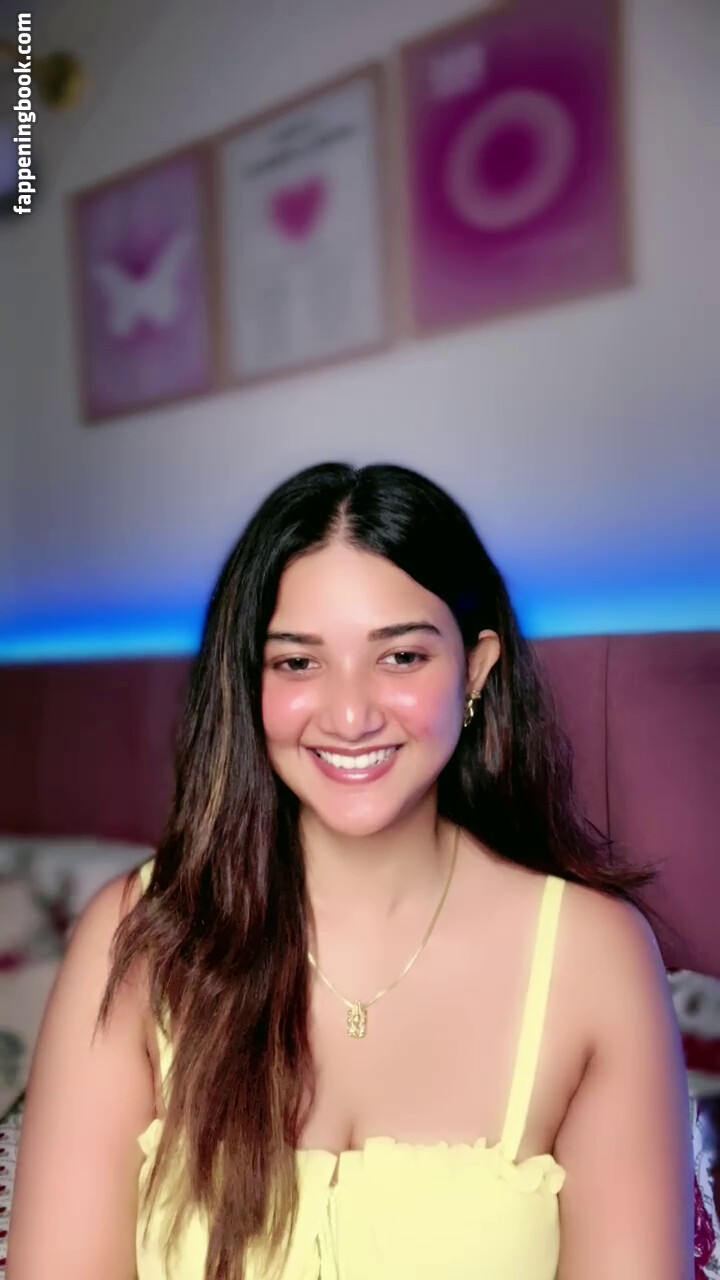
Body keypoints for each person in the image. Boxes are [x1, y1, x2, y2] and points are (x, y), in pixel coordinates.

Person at [8, 461, 694, 1279]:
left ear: (476, 670)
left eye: (400, 656)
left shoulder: (594, 957)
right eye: (298, 663)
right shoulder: (141, 937)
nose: (350, 713)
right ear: (249, 681)